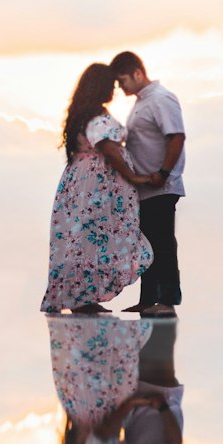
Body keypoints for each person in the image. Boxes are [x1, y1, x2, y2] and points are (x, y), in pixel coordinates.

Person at [40, 62, 155, 315]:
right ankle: (82, 299)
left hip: (83, 184)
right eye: (110, 86)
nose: (114, 91)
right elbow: (108, 148)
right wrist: (133, 178)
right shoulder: (95, 116)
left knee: (83, 240)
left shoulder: (84, 113)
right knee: (93, 239)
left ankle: (82, 296)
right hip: (98, 187)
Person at [48, 314, 157, 444]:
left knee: (119, 342)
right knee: (86, 333)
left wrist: (135, 402)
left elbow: (110, 426)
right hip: (79, 395)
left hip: (104, 396)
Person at [109, 51, 186, 317]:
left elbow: (176, 137)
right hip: (143, 189)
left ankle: (167, 299)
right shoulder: (142, 102)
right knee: (148, 244)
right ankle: (148, 298)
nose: (121, 88)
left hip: (160, 186)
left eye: (122, 81)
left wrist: (163, 173)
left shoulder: (161, 99)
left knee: (163, 243)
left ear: (137, 73)